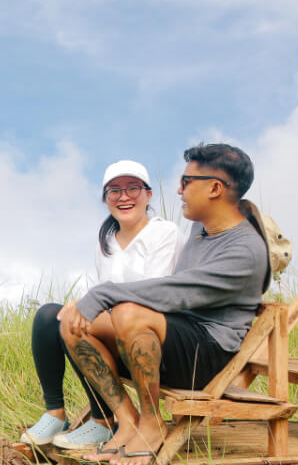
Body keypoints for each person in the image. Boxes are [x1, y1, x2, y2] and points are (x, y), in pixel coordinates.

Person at [59, 142, 269, 465]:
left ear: (214, 188)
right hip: (177, 337)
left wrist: (106, 293)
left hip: (208, 358)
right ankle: (127, 423)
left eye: (187, 181)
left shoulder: (244, 250)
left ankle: (152, 423)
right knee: (72, 322)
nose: (179, 189)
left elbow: (178, 293)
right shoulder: (202, 226)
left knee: (128, 312)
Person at [21, 160, 181, 450]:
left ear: (148, 195)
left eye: (133, 188)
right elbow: (103, 294)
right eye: (114, 191)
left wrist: (88, 305)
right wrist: (81, 302)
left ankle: (102, 419)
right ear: (105, 199)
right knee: (50, 315)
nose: (124, 196)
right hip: (116, 334)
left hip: (149, 339)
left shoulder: (164, 233)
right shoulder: (105, 242)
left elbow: (155, 294)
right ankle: (55, 412)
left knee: (75, 320)